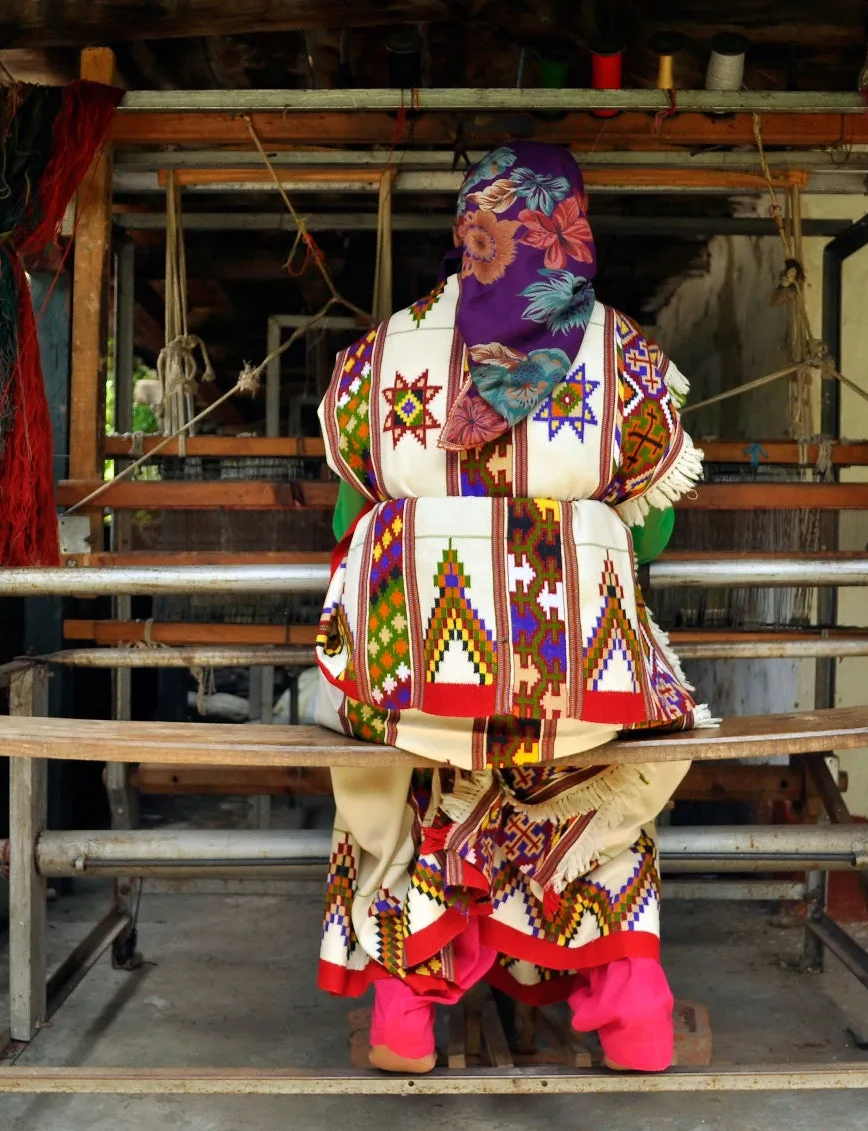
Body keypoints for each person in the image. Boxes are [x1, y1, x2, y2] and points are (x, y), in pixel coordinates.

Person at [312, 141, 708, 1073]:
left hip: (416, 689)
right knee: (606, 789)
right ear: (574, 229)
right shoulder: (626, 358)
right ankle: (633, 1008)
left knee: (398, 780)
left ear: (468, 228)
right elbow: (651, 542)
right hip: (576, 699)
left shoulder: (380, 358)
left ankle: (405, 1010)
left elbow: (349, 517)